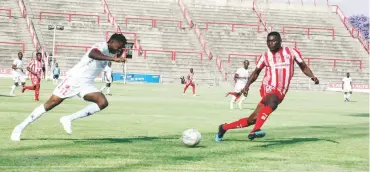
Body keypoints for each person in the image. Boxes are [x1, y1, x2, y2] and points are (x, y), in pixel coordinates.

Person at [11, 33, 127, 141]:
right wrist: (113, 59)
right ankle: (19, 128)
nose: (119, 49)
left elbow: (117, 52)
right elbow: (93, 54)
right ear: (111, 41)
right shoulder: (101, 46)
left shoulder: (112, 51)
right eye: (119, 46)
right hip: (73, 79)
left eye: (121, 48)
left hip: (87, 84)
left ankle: (68, 118)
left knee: (102, 102)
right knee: (51, 104)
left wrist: (118, 55)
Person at [215, 32, 319, 142]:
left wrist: (312, 76)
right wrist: (247, 86)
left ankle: (223, 128)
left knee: (252, 119)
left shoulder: (291, 52)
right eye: (268, 41)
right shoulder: (265, 56)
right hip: (268, 87)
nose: (270, 43)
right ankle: (255, 130)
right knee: (272, 101)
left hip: (282, 91)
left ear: (280, 41)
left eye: (273, 41)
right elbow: (256, 72)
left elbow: (303, 66)